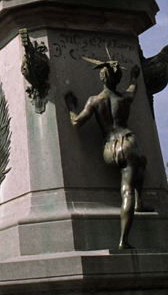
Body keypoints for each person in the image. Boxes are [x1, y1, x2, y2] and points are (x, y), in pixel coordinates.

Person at [64, 56, 151, 249]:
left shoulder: (95, 100)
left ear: (102, 78)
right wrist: (134, 77)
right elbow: (132, 90)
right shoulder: (124, 99)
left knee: (141, 162)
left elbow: (77, 122)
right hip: (127, 142)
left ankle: (140, 204)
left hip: (109, 148)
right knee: (129, 187)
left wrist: (71, 107)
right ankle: (124, 238)